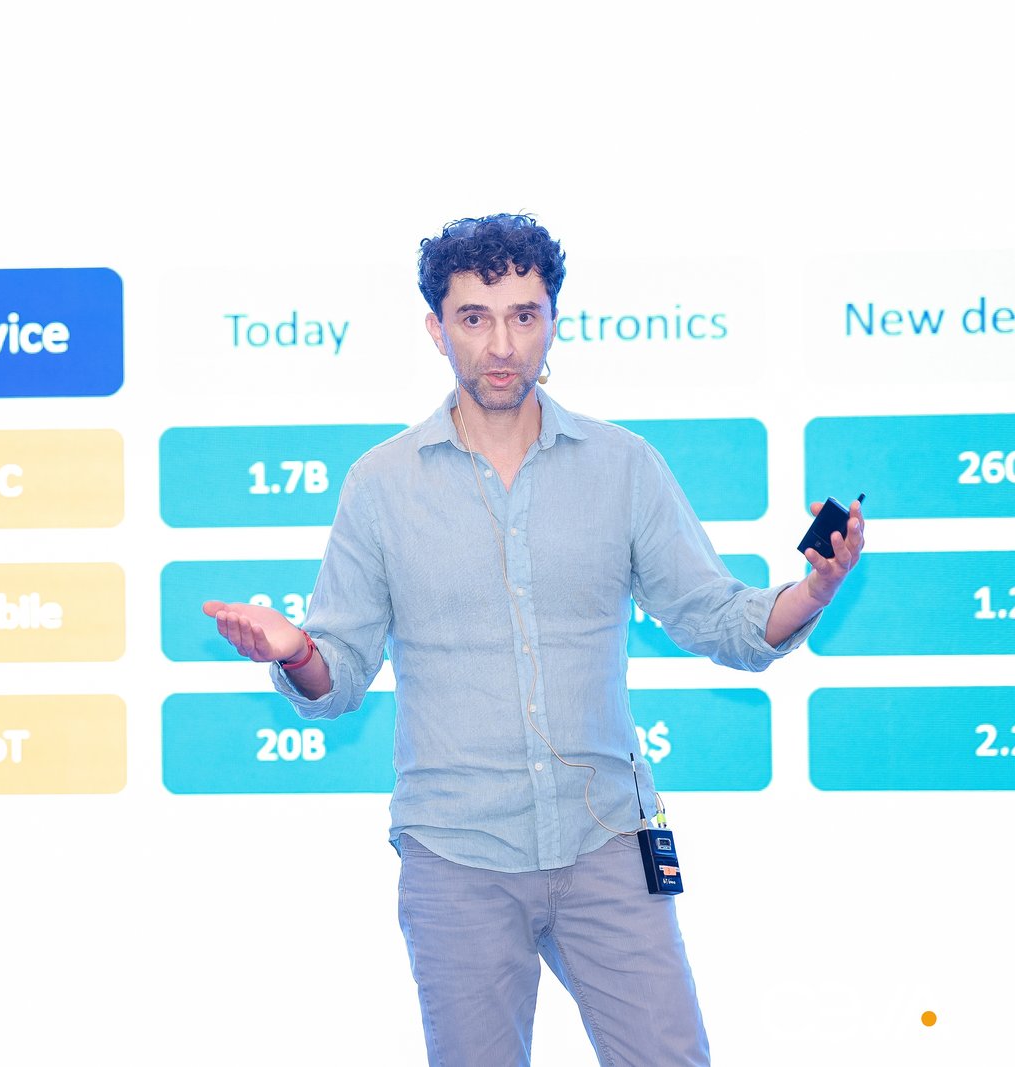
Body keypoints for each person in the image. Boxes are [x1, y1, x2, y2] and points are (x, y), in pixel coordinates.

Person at [202, 214, 864, 1067]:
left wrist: (814, 589)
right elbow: (342, 675)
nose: (502, 344)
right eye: (475, 318)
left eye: (524, 314)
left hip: (609, 840)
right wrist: (297, 649)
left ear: (553, 319)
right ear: (437, 328)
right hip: (456, 856)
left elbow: (718, 618)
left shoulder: (623, 465)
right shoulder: (381, 484)